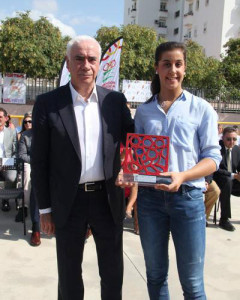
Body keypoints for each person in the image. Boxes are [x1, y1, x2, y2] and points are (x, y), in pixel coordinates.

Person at [31, 35, 134, 300]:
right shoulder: (48, 103)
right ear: (68, 62)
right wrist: (44, 209)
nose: (85, 65)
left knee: (112, 274)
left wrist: (131, 170)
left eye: (91, 59)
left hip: (107, 200)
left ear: (100, 64)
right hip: (68, 201)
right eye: (79, 58)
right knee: (69, 275)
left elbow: (134, 142)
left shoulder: (115, 101)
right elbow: (40, 161)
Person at [123, 41, 222, 299]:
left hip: (188, 200)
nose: (172, 70)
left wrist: (183, 175)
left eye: (178, 64)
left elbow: (213, 158)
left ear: (185, 69)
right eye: (166, 64)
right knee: (155, 277)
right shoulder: (143, 112)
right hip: (150, 202)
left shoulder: (202, 109)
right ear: (157, 68)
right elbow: (139, 156)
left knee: (192, 284)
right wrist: (129, 171)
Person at [213, 127, 240, 231]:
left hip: (232, 179)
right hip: (218, 179)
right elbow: (216, 169)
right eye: (228, 139)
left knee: (230, 181)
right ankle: (224, 219)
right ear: (222, 138)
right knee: (227, 182)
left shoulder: (237, 149)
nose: (231, 142)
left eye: (234, 139)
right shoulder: (216, 148)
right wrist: (233, 175)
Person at [18, 124, 41, 246]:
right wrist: (37, 161)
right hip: (35, 165)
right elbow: (22, 155)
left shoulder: (51, 131)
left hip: (53, 168)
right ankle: (36, 229)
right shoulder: (25, 135)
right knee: (36, 191)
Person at [15, 112, 33, 222]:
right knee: (26, 172)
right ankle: (23, 207)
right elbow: (21, 155)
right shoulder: (22, 135)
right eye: (25, 121)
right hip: (28, 162)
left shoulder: (41, 133)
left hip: (42, 162)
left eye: (30, 121)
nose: (27, 123)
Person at [0, 108, 17, 212]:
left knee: (12, 177)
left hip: (7, 162)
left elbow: (16, 151)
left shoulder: (11, 132)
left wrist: (9, 162)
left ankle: (5, 199)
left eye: (0, 117)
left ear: (6, 118)